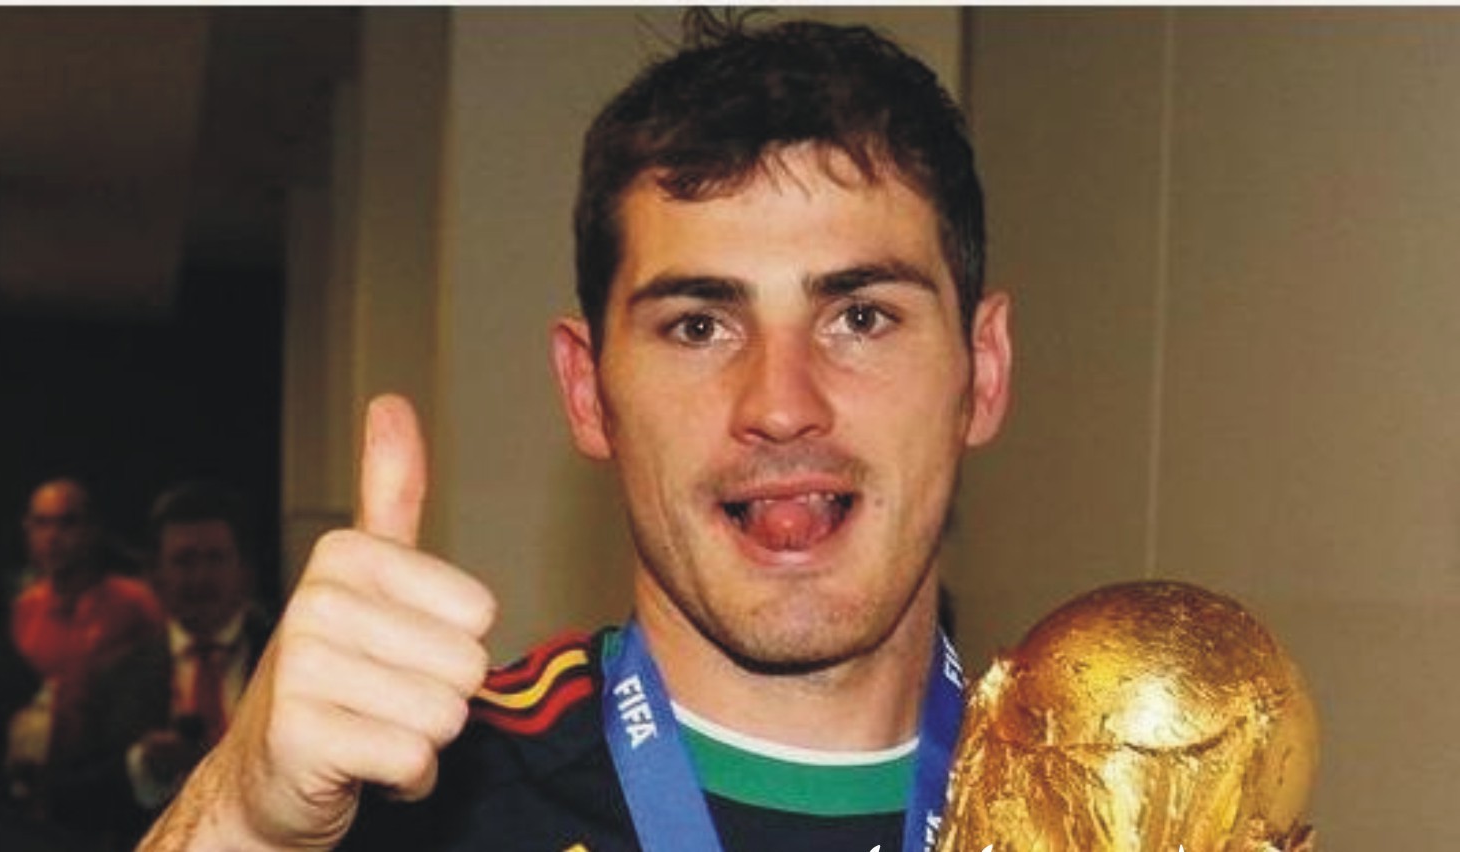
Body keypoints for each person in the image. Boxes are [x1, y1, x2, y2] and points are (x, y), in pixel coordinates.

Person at [143, 13, 1012, 851]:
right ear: (587, 391)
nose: (781, 406)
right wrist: (243, 822)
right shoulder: (414, 801)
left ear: (981, 370)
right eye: (699, 327)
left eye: (860, 318)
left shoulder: (1084, 794)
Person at [49, 481, 272, 847]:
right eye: (184, 561)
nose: (200, 578)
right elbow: (66, 800)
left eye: (215, 559)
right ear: (155, 576)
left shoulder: (290, 668)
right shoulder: (114, 679)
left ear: (246, 571)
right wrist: (142, 767)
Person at [8, 478, 165, 815]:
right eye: (42, 523)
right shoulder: (25, 608)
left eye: (67, 523)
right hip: (41, 784)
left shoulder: (135, 603)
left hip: (115, 786)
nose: (53, 537)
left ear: (92, 530)